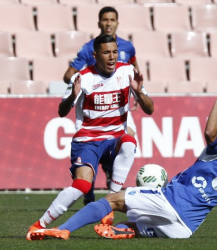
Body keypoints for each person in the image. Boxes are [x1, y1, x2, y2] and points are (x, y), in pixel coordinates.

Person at [29, 79, 217, 240]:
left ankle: (64, 229)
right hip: (184, 229)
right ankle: (123, 230)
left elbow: (210, 133)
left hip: (170, 202)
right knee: (133, 224)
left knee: (113, 200)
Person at [26, 34, 154, 240]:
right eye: (106, 53)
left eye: (114, 52)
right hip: (87, 140)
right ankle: (38, 225)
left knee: (129, 142)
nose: (112, 57)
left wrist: (139, 93)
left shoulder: (128, 72)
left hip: (114, 139)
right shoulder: (83, 77)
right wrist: (71, 96)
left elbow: (150, 109)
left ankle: (110, 203)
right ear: (95, 55)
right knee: (82, 186)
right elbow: (61, 111)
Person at [63, 6, 140, 204]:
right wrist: (75, 89)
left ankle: (112, 189)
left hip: (119, 103)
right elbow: (69, 74)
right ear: (99, 23)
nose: (108, 23)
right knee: (94, 146)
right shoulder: (90, 48)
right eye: (105, 20)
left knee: (127, 140)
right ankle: (89, 188)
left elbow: (136, 71)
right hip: (96, 104)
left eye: (112, 20)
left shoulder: (127, 47)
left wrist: (138, 94)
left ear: (117, 23)